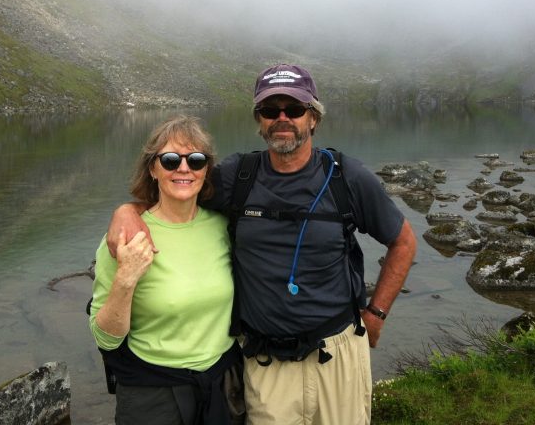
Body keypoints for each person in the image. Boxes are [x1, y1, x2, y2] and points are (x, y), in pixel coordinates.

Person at [108, 64, 417, 425]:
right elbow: (179, 187)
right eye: (271, 110)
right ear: (259, 119)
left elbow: (403, 242)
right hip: (266, 362)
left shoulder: (346, 177)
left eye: (294, 109)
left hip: (338, 351)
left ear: (313, 118)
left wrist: (377, 313)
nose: (282, 118)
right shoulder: (237, 178)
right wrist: (127, 210)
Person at [89, 115, 244, 425]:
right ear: (153, 169)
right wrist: (126, 278)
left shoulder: (224, 226)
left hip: (222, 385)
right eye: (171, 160)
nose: (184, 168)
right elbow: (105, 340)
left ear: (206, 170)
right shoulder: (126, 238)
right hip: (152, 393)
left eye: (196, 160)